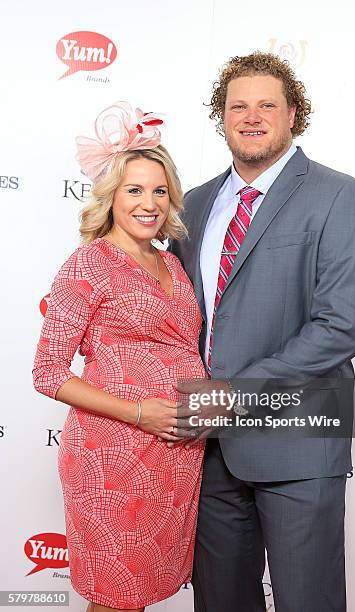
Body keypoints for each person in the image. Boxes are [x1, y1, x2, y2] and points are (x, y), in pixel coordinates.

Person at [170, 52, 355, 611]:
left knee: (306, 601)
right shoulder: (192, 205)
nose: (251, 116)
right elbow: (177, 319)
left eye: (267, 104)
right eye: (237, 106)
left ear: (294, 113)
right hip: (211, 447)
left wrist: (231, 394)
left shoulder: (342, 196)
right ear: (221, 117)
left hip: (298, 439)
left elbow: (342, 325)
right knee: (220, 602)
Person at [33, 101, 206, 612]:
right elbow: (47, 372)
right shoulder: (88, 264)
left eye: (159, 190)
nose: (148, 202)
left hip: (175, 457)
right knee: (114, 596)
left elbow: (181, 351)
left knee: (143, 593)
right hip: (114, 456)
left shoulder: (171, 265)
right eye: (134, 190)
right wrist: (138, 411)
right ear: (110, 196)